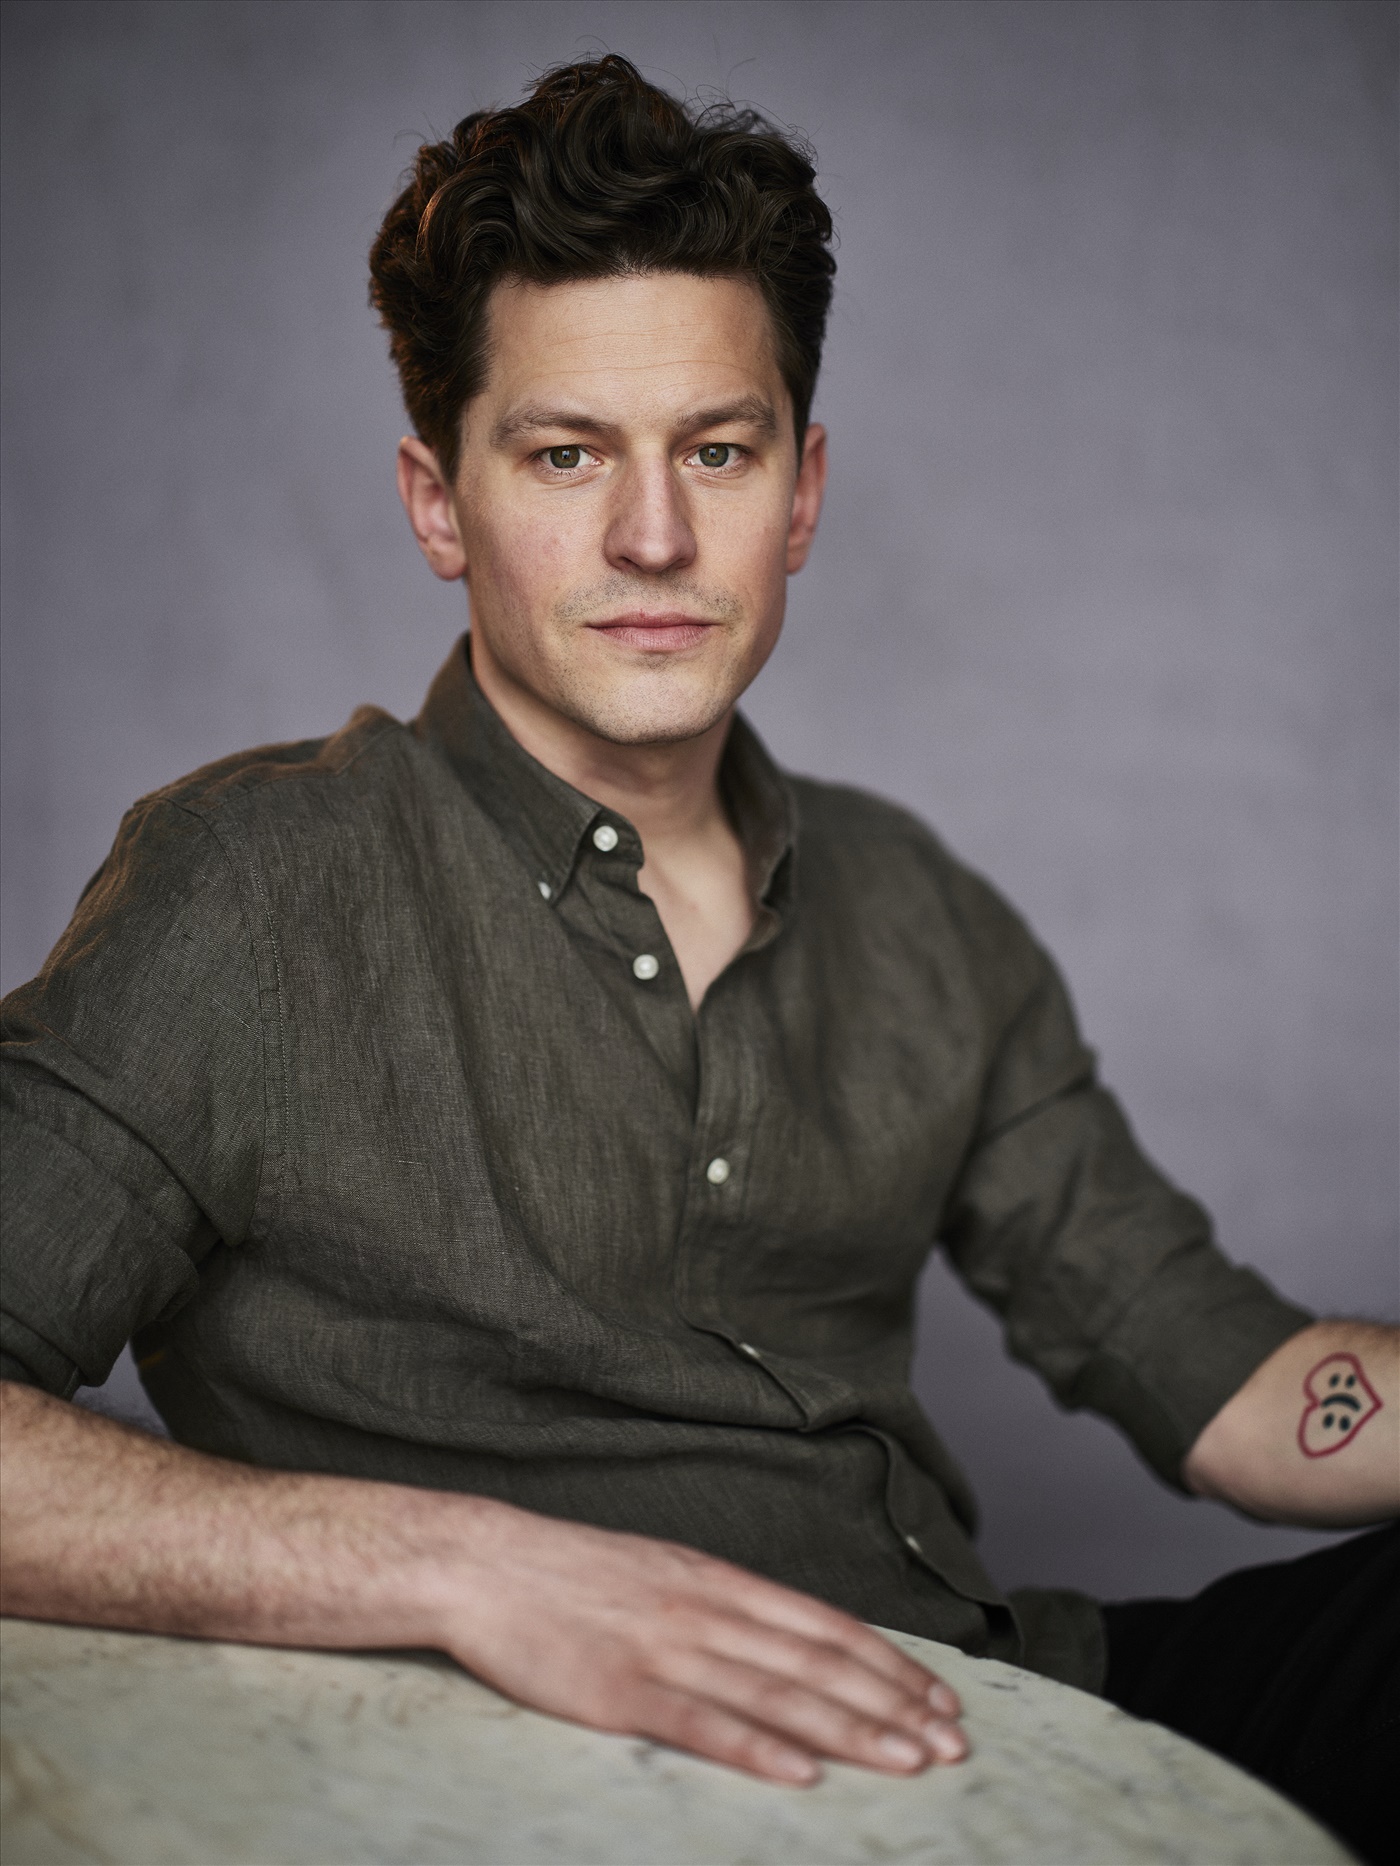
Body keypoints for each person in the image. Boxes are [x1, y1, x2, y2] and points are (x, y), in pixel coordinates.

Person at [1, 54, 1395, 1861]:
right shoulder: (253, 884)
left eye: (717, 451)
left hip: (994, 1696)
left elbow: (1235, 1389)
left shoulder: (917, 907)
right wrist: (471, 1570)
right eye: (566, 453)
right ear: (439, 502)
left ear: (801, 494)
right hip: (527, 1775)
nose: (654, 537)